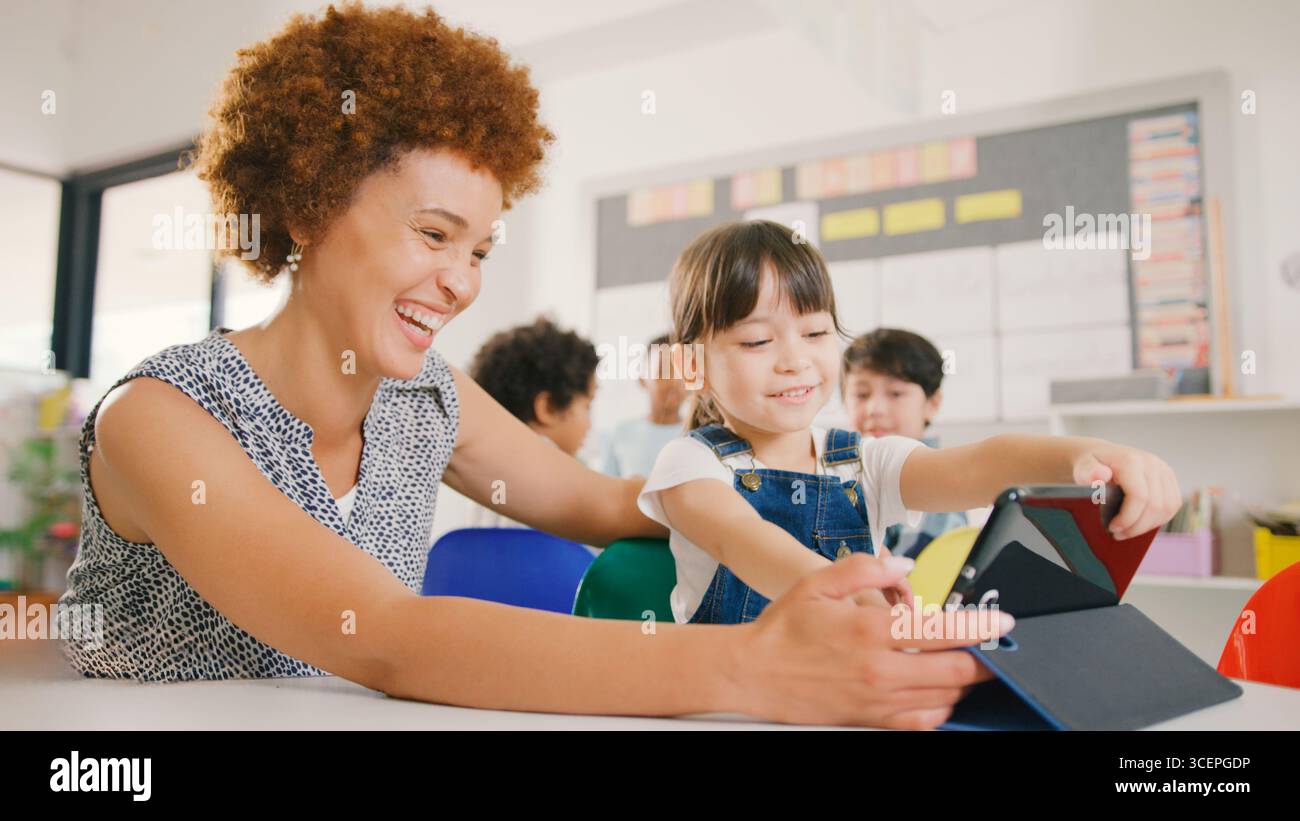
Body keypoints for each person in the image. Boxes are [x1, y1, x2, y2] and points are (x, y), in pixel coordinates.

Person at [57, 3, 1178, 729]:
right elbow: (387, 638)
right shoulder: (162, 417)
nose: (461, 280)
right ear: (304, 206)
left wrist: (779, 497)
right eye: (433, 233)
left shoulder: (425, 399)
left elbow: (610, 503)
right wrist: (752, 666)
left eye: (481, 248)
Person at [636, 220, 1181, 625]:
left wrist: (1087, 455)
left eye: (817, 333)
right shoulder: (689, 465)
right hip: (731, 707)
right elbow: (747, 541)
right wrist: (856, 591)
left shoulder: (865, 460)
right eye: (757, 340)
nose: (794, 359)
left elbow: (977, 464)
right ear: (692, 366)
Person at [841, 328, 982, 558]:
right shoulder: (835, 472)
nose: (874, 410)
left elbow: (912, 575)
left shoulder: (940, 481)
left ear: (932, 404)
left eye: (895, 393)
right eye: (861, 394)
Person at [464, 317, 598, 528]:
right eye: (587, 406)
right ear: (548, 408)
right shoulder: (558, 471)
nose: (590, 424)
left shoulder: (483, 472)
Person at [602, 333, 687, 478]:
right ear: (642, 379)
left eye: (681, 371)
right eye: (662, 371)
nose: (674, 381)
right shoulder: (621, 433)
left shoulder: (699, 436)